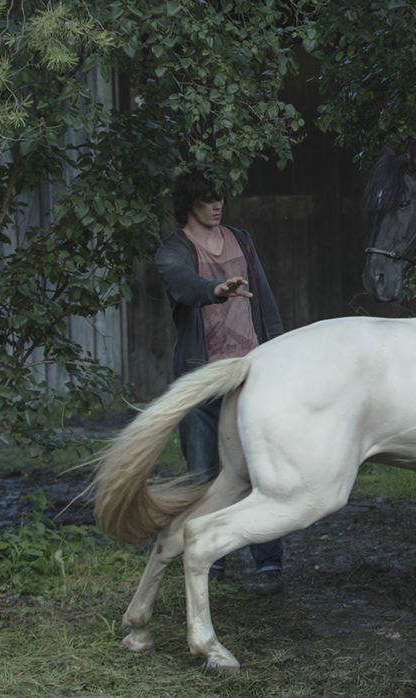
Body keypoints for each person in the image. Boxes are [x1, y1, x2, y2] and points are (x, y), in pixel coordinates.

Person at [155, 165, 287, 594]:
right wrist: (215, 290)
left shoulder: (241, 240)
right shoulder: (174, 249)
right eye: (206, 200)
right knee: (204, 472)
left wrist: (282, 353)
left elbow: (264, 300)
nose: (216, 206)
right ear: (188, 204)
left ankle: (268, 561)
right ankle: (211, 558)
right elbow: (182, 284)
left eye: (220, 199)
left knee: (262, 467)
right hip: (204, 377)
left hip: (252, 372)